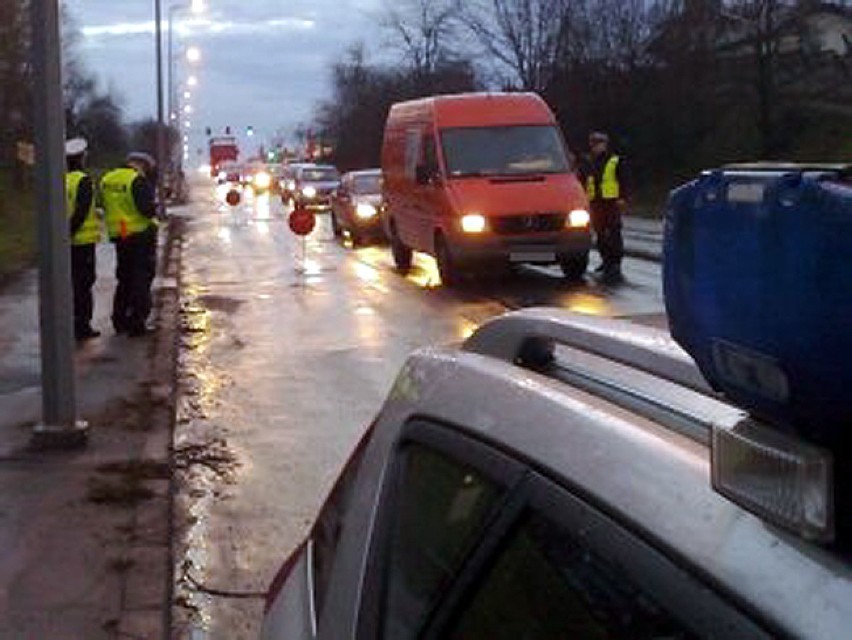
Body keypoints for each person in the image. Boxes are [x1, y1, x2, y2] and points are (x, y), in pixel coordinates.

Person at [100, 152, 159, 337]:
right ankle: (137, 322)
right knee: (141, 279)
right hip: (139, 235)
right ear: (141, 165)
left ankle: (119, 320)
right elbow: (146, 210)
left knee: (124, 279)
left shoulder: (107, 179)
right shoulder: (136, 181)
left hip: (120, 234)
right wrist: (154, 205)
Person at [65, 138, 102, 341]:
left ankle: (72, 321)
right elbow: (80, 211)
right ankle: (82, 325)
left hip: (67, 243)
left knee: (71, 284)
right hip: (82, 242)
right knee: (84, 285)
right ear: (82, 157)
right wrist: (70, 232)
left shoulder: (63, 179)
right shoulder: (83, 181)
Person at [581, 131, 629, 281]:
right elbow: (584, 181)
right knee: (600, 234)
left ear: (605, 145)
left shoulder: (615, 160)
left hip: (611, 201)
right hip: (595, 202)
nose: (596, 147)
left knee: (614, 232)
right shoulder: (588, 162)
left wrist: (622, 197)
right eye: (594, 144)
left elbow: (624, 180)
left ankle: (615, 263)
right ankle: (606, 261)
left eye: (599, 144)